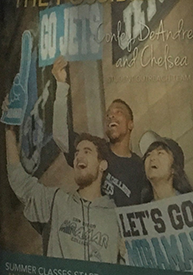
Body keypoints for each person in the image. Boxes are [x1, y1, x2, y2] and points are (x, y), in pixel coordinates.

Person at [5, 126, 121, 263]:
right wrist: (9, 131)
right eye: (77, 153)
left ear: (102, 165)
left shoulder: (117, 218)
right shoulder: (55, 202)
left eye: (87, 152)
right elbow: (19, 181)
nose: (79, 157)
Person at [51, 57, 147, 206]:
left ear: (130, 124)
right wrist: (61, 85)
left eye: (118, 112)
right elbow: (60, 135)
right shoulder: (94, 150)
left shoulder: (140, 167)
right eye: (108, 114)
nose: (111, 116)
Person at [142, 137, 193, 229]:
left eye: (160, 153)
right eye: (148, 154)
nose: (152, 158)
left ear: (174, 168)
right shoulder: (141, 216)